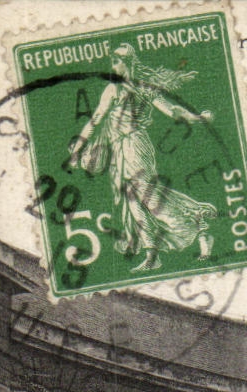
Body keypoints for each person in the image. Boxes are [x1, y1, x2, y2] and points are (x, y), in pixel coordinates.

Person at [67, 44, 218, 272]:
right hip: (118, 149)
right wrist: (79, 147)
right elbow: (96, 119)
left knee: (147, 194)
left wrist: (196, 118)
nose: (113, 66)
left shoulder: (133, 89)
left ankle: (196, 226)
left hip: (135, 145)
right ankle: (152, 254)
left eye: (116, 61)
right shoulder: (116, 88)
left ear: (126, 63)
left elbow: (171, 110)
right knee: (133, 201)